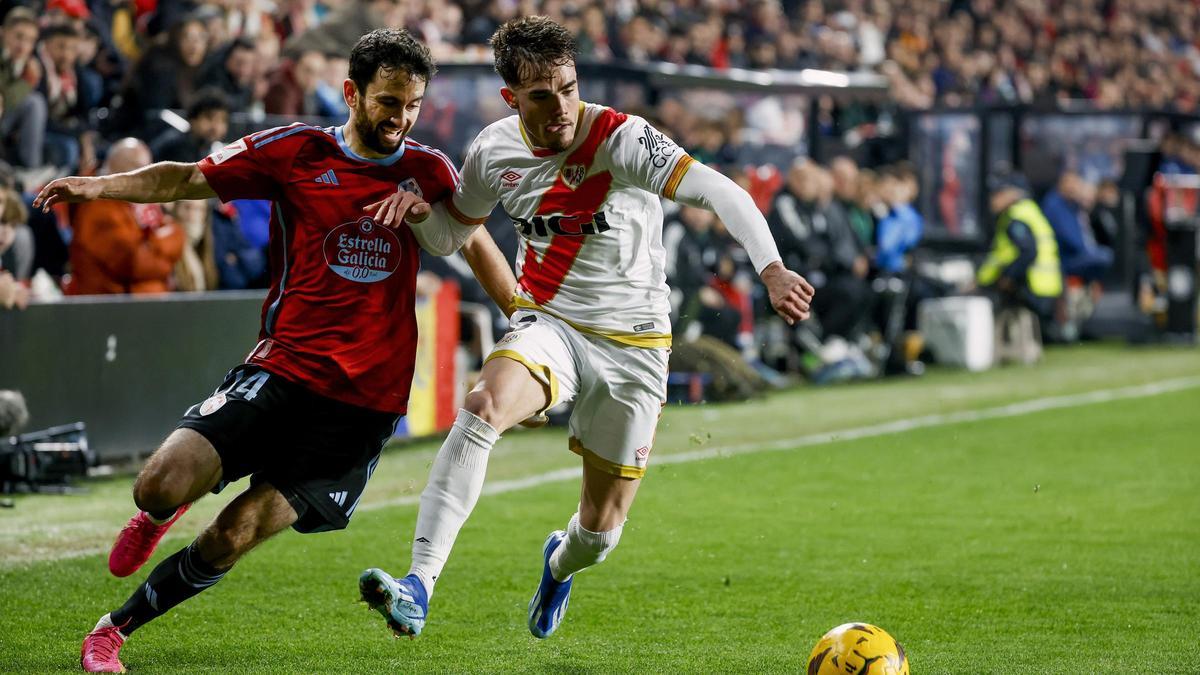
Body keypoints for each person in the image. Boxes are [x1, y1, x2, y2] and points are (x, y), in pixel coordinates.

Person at [35, 29, 509, 673]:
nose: (400, 118)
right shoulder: (296, 152)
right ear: (351, 92)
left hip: (362, 407)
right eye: (388, 102)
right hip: (283, 368)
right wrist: (97, 187)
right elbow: (187, 178)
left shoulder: (428, 172)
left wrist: (525, 317)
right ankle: (160, 513)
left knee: (232, 534)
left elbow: (472, 239)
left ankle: (112, 632)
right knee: (156, 485)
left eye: (412, 105)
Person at [356, 16, 812, 641]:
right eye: (542, 95)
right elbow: (449, 236)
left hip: (636, 346)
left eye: (568, 88)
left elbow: (719, 191)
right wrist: (417, 215)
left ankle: (558, 562)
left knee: (599, 534)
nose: (561, 106)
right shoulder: (493, 151)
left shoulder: (622, 139)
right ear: (512, 99)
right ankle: (419, 583)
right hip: (552, 325)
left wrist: (772, 269)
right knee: (484, 405)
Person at [64, 138, 186, 295]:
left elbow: (176, 235)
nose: (149, 176)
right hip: (107, 310)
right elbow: (135, 264)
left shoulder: (136, 200)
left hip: (138, 305)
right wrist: (166, 254)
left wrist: (155, 244)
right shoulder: (98, 206)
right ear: (117, 171)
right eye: (140, 169)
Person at [977, 172, 1063, 330]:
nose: (993, 199)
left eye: (998, 193)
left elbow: (1028, 252)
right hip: (1046, 287)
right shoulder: (1029, 210)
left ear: (1013, 193)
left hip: (1031, 289)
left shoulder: (1016, 217)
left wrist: (1007, 277)